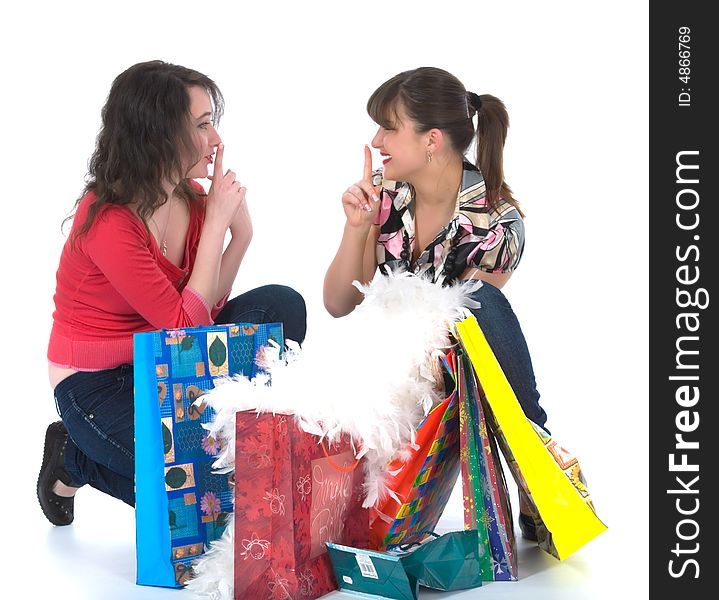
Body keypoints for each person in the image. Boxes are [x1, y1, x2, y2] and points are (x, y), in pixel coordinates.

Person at [38, 60, 307, 526]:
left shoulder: (192, 199)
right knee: (188, 495)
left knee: (281, 306)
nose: (217, 140)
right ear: (159, 134)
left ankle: (232, 437)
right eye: (202, 126)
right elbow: (188, 327)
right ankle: (71, 457)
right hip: (99, 381)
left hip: (171, 356)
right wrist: (219, 224)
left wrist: (239, 237)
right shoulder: (108, 220)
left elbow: (206, 313)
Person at [323, 66, 547, 540]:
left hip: (449, 373)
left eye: (389, 127)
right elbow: (339, 303)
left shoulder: (498, 223)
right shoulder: (384, 197)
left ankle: (537, 466)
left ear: (432, 140)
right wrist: (357, 227)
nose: (376, 139)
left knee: (481, 303)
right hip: (376, 365)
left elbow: (466, 337)